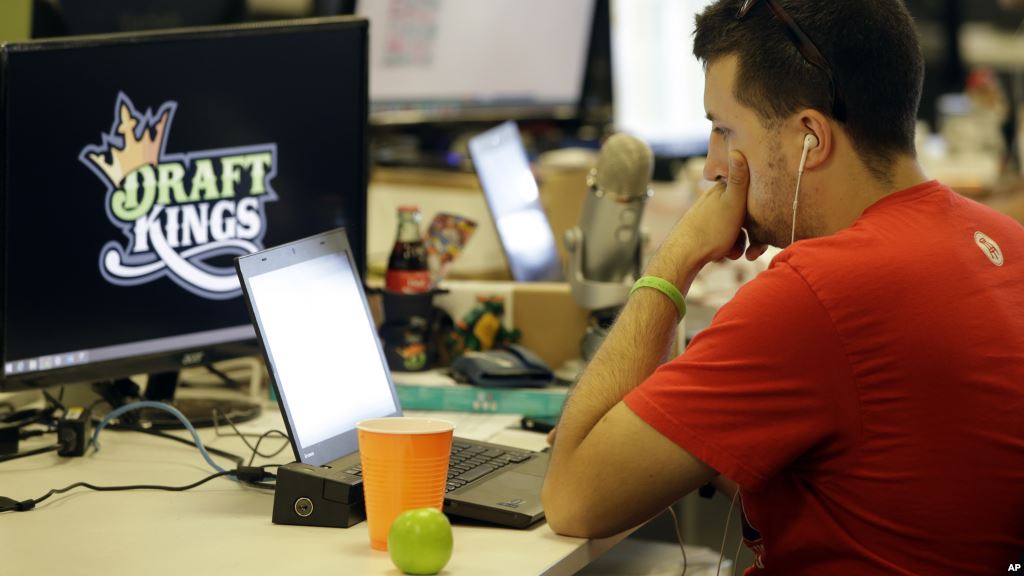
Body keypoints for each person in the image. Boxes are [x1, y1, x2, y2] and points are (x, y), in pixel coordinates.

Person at [541, 0, 1024, 574]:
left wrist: (675, 257)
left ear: (810, 139)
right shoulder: (1004, 239)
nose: (712, 169)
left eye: (724, 131)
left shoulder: (816, 294)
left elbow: (573, 499)